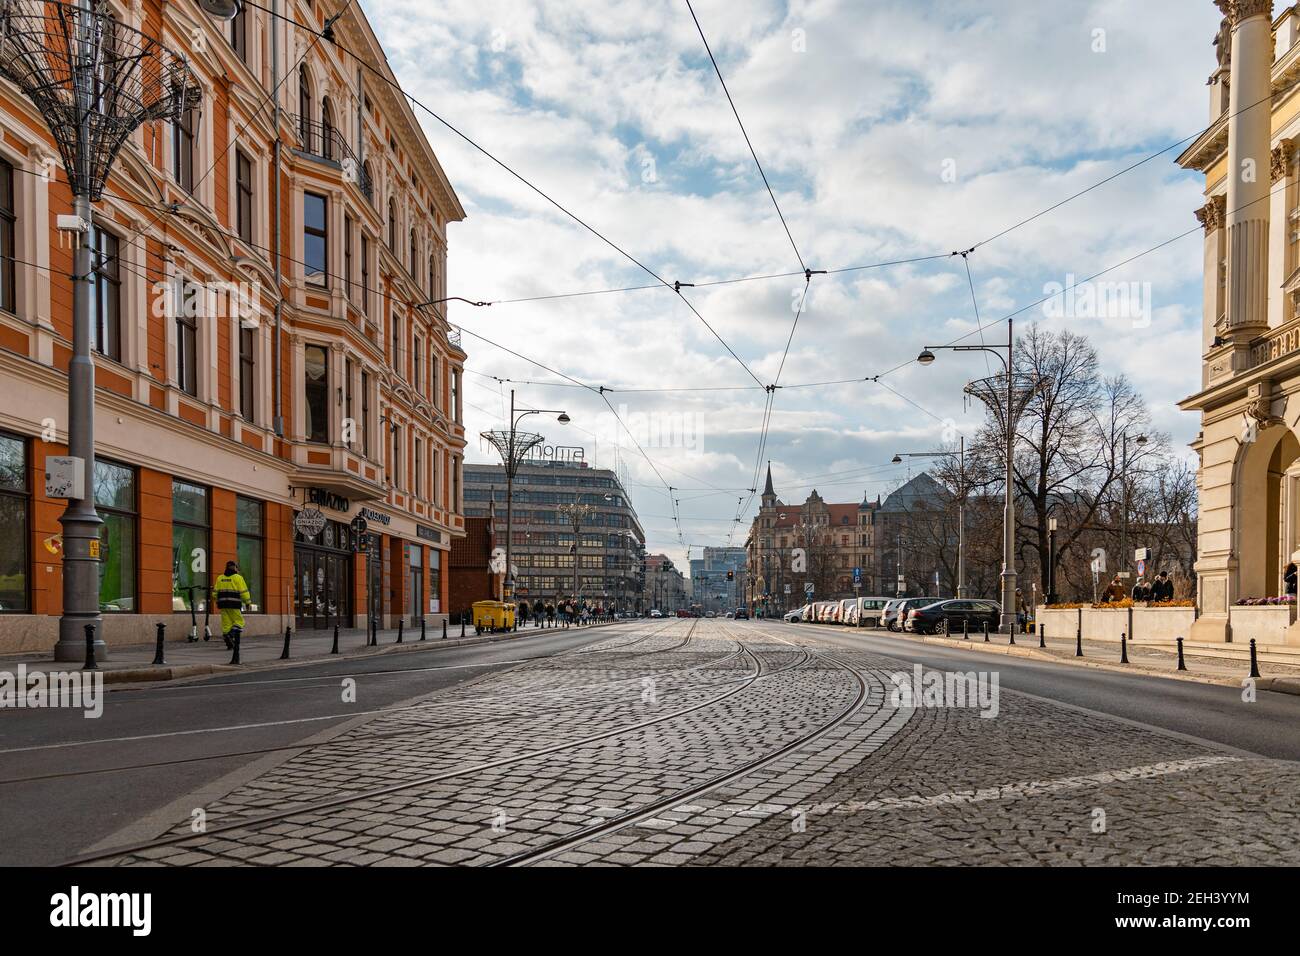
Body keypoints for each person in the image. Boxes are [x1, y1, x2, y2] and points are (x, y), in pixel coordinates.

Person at [213, 560, 251, 651]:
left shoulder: (220, 578)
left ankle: (228, 641)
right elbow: (244, 592)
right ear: (235, 568)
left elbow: (214, 593)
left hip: (223, 605)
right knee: (239, 622)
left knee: (226, 624)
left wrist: (217, 601)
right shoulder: (238, 578)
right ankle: (231, 635)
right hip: (234, 604)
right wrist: (247, 602)